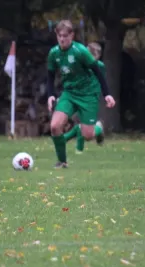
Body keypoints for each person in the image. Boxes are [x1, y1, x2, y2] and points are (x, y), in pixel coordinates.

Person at [47, 20, 115, 168]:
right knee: (54, 126)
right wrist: (50, 94)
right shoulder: (54, 53)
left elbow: (97, 71)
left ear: (72, 35)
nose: (62, 39)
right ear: (56, 35)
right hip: (69, 93)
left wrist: (107, 94)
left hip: (88, 95)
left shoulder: (80, 51)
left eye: (65, 35)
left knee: (88, 135)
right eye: (59, 36)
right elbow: (50, 75)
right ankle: (62, 161)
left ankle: (98, 128)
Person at [62, 41, 105, 154]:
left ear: (97, 56)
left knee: (85, 128)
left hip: (90, 98)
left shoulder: (99, 66)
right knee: (78, 121)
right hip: (76, 96)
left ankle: (98, 129)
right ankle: (78, 149)